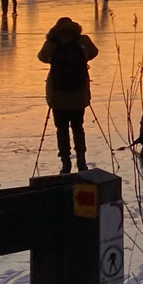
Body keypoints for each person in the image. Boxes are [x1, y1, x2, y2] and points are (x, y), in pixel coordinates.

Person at [38, 17, 99, 174]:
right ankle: (81, 161)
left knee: (61, 129)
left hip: (57, 96)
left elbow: (42, 57)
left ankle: (65, 163)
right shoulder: (82, 40)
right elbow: (94, 52)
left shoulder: (52, 42)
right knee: (78, 127)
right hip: (78, 95)